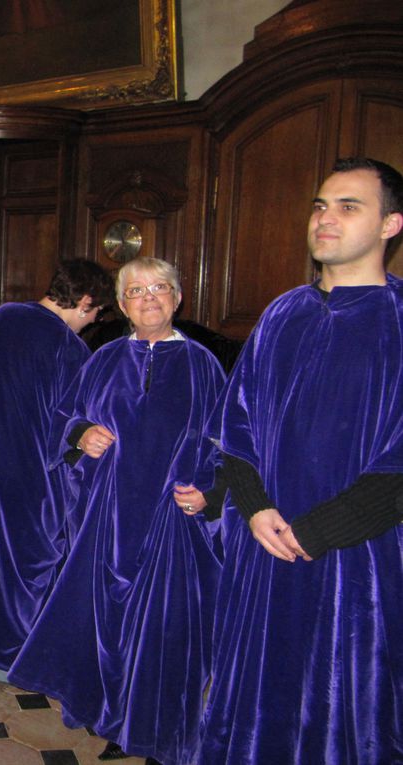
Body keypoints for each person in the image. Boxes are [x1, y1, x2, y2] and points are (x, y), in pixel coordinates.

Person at [200, 157, 403, 764]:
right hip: (264, 549)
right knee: (256, 701)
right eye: (320, 204)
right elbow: (236, 427)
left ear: (392, 224)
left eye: (348, 206)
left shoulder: (397, 321)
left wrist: (317, 532)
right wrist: (257, 507)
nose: (325, 218)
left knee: (345, 711)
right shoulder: (282, 312)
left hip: (357, 563)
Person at [8, 257, 226, 765]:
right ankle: (118, 720)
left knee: (166, 628)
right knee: (110, 622)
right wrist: (81, 434)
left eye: (159, 288)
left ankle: (160, 730)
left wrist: (209, 495)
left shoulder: (203, 366)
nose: (148, 298)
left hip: (173, 522)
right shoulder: (101, 360)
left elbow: (230, 443)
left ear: (177, 297)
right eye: (136, 290)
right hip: (107, 523)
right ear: (122, 305)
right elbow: (63, 419)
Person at [0, 259, 113, 676]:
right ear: (86, 302)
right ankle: (19, 657)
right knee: (28, 564)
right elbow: (76, 424)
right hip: (33, 476)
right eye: (94, 314)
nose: (91, 324)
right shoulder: (69, 347)